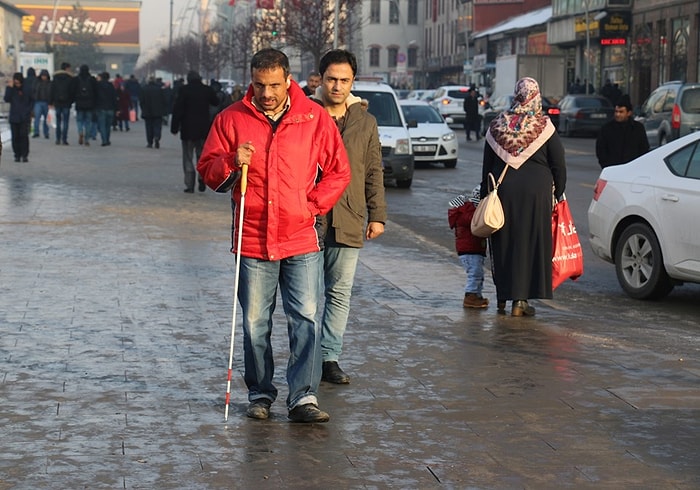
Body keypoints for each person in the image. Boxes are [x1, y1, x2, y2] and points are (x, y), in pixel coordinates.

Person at [197, 48, 351, 423]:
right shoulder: (231, 118)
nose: (266, 93)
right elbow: (207, 169)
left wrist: (312, 206)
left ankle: (303, 397)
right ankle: (261, 394)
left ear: (288, 80)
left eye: (274, 85)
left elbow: (338, 171)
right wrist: (232, 161)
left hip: (300, 236)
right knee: (254, 324)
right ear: (251, 81)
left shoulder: (313, 118)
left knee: (306, 320)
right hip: (252, 239)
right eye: (259, 85)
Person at [312, 49, 387, 385]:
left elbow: (373, 171)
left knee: (339, 292)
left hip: (350, 215)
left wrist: (377, 215)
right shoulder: (305, 115)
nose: (337, 86)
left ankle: (330, 357)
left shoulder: (365, 122)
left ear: (353, 81)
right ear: (321, 79)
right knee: (308, 295)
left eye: (344, 80)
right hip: (308, 217)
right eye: (331, 79)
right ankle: (307, 356)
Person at [482, 77, 566, 317]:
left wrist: (485, 193)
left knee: (504, 244)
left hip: (503, 193)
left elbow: (487, 165)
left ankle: (502, 296)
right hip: (536, 196)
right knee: (529, 246)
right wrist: (557, 193)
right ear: (536, 96)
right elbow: (559, 165)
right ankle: (521, 301)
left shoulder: (497, 125)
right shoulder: (544, 127)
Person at [170, 70, 219, 193]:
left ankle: (189, 184)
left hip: (187, 129)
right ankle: (202, 177)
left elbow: (178, 109)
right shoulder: (206, 90)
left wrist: (174, 127)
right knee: (201, 156)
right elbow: (216, 102)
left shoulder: (184, 90)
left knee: (187, 157)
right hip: (203, 129)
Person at [448, 185, 488, 308]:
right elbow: (473, 222)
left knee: (478, 273)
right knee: (475, 273)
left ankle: (477, 295)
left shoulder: (467, 209)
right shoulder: (467, 211)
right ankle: (471, 296)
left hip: (473, 248)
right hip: (469, 249)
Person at [596, 94, 649, 169]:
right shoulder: (607, 129)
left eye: (621, 112)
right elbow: (601, 149)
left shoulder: (637, 128)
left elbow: (644, 149)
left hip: (632, 169)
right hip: (612, 168)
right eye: (616, 111)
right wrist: (606, 165)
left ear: (629, 113)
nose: (618, 114)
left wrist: (638, 166)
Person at [4, 72, 34, 162]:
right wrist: (9, 88)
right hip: (14, 116)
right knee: (15, 137)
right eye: (15, 83)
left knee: (24, 136)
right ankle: (17, 154)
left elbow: (32, 100)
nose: (17, 85)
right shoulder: (11, 89)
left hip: (24, 117)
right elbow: (6, 99)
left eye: (18, 83)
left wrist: (29, 111)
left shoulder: (27, 88)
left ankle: (24, 155)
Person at [71, 64, 98, 147]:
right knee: (88, 122)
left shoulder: (76, 79)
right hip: (90, 104)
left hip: (79, 103)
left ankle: (80, 132)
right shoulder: (92, 79)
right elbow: (96, 91)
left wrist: (73, 100)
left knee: (79, 120)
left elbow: (72, 90)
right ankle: (86, 139)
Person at [139, 77, 168, 148]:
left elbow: (141, 101)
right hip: (158, 111)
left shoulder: (144, 89)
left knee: (148, 127)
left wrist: (143, 109)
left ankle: (150, 142)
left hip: (147, 111)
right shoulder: (159, 89)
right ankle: (157, 136)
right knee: (157, 125)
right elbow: (164, 100)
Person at [50, 62, 74, 145]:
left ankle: (58, 139)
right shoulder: (70, 78)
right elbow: (72, 91)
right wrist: (71, 101)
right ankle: (64, 139)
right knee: (66, 121)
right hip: (66, 103)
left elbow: (52, 90)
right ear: (67, 68)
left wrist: (51, 101)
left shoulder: (55, 77)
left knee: (58, 121)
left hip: (57, 102)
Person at [95, 72, 117, 147]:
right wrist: (117, 108)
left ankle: (104, 140)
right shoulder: (111, 86)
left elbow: (95, 96)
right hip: (110, 108)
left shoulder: (97, 85)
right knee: (108, 126)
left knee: (102, 125)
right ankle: (107, 139)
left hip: (101, 107)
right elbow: (114, 98)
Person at [32, 69, 52, 139]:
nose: (44, 77)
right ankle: (36, 132)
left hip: (46, 102)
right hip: (38, 101)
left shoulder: (49, 83)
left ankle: (46, 133)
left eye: (45, 76)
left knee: (46, 119)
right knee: (37, 118)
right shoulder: (37, 82)